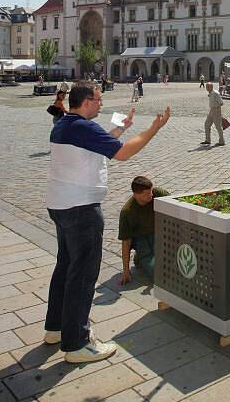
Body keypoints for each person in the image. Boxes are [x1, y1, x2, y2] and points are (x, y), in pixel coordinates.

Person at [43, 80, 171, 364]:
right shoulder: (82, 127)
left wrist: (120, 128)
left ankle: (55, 328)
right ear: (87, 101)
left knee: (65, 267)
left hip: (61, 204)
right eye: (99, 99)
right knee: (83, 274)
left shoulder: (65, 124)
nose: (102, 103)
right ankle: (76, 343)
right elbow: (122, 153)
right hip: (81, 209)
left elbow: (95, 148)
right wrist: (154, 129)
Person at [118, 176, 169, 284]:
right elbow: (126, 242)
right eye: (146, 194)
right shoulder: (127, 212)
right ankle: (142, 257)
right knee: (158, 275)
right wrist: (126, 271)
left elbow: (176, 205)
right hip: (141, 240)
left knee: (170, 264)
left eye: (150, 191)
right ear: (136, 194)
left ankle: (141, 259)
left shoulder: (158, 193)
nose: (151, 195)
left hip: (158, 234)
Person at [201, 81, 224, 146]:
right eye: (206, 87)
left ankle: (222, 141)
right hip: (212, 110)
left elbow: (221, 103)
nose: (207, 88)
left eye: (208, 87)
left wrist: (217, 109)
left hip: (216, 110)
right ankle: (208, 140)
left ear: (211, 87)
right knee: (207, 124)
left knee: (218, 126)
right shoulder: (211, 93)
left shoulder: (215, 93)